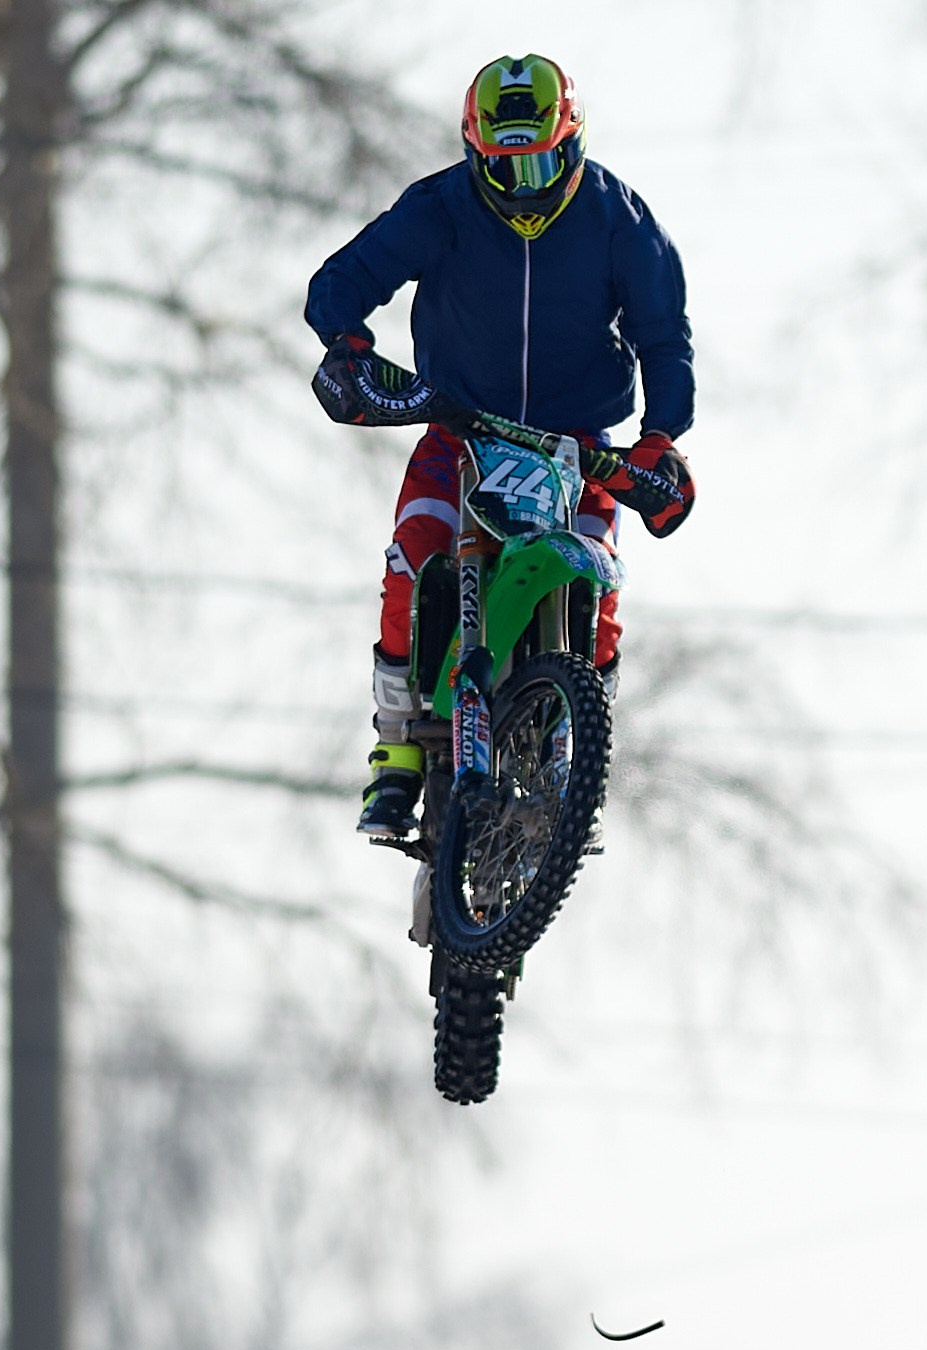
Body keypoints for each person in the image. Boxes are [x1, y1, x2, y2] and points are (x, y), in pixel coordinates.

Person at [303, 53, 697, 838]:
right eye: (504, 166)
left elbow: (663, 333)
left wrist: (663, 435)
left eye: (543, 162)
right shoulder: (439, 206)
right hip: (460, 430)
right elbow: (341, 279)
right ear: (472, 151)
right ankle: (395, 750)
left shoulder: (620, 217)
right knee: (411, 557)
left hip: (577, 447)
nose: (524, 187)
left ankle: (578, 760)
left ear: (574, 145)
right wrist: (345, 342)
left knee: (604, 589)